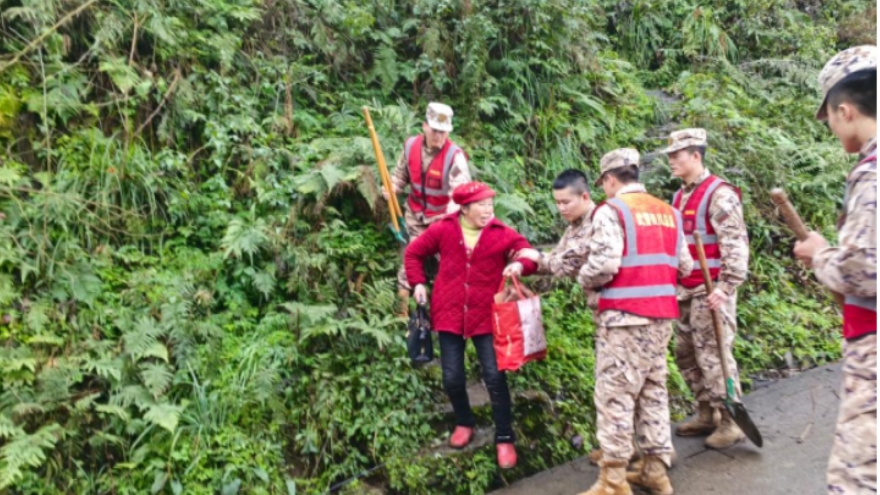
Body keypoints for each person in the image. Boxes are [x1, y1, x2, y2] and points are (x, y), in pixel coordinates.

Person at [576, 149, 693, 495]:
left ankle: (613, 480)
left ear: (610, 179)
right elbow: (685, 267)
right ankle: (655, 471)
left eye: (604, 184)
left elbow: (604, 265)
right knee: (653, 390)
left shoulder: (611, 211)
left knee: (615, 395)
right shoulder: (668, 211)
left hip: (625, 319)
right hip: (660, 319)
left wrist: (583, 276)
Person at [404, 181, 538, 469]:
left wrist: (520, 264)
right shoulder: (444, 229)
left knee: (494, 377)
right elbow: (413, 253)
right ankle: (464, 422)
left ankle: (504, 437)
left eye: (490, 204)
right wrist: (418, 283)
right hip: (449, 313)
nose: (488, 210)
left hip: (487, 316)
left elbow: (526, 252)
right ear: (464, 208)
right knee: (452, 377)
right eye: (481, 205)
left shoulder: (501, 233)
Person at [793, 45, 876, 495]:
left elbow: (865, 271)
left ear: (844, 111)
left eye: (829, 121)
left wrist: (820, 254)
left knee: (856, 478)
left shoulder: (872, 173)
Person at [663, 128, 749, 449]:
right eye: (670, 156)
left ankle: (730, 420)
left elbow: (736, 244)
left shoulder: (720, 194)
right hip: (685, 290)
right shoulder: (679, 195)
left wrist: (726, 287)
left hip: (712, 291)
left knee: (715, 355)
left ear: (696, 156)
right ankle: (705, 411)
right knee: (685, 353)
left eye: (677, 155)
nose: (672, 161)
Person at [388, 102, 472, 316]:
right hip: (414, 219)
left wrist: (449, 217)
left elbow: (460, 195)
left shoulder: (455, 157)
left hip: (442, 223)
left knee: (449, 270)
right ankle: (402, 318)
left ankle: (446, 316)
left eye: (444, 132)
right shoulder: (410, 147)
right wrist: (392, 188)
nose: (439, 137)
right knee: (408, 266)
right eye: (435, 131)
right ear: (424, 126)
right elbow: (400, 176)